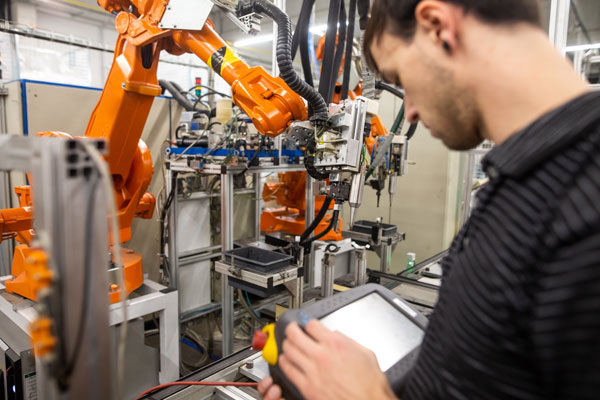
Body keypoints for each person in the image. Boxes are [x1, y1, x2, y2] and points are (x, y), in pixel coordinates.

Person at [260, 0, 600, 399]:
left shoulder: (583, 210)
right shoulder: (524, 182)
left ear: (438, 26)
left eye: (402, 78)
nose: (413, 111)